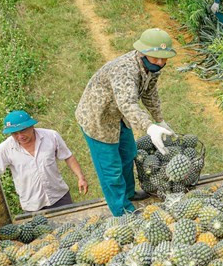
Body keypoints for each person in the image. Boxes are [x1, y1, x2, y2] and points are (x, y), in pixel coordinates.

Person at [75, 28, 177, 216]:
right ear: (143, 52)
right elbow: (127, 103)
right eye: (156, 58)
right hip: (99, 119)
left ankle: (129, 192)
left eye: (164, 58)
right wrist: (148, 126)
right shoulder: (124, 70)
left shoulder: (151, 66)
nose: (161, 62)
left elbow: (150, 93)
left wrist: (159, 120)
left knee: (129, 153)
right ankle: (122, 210)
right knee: (111, 169)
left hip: (120, 116)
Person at [0, 110, 88, 213]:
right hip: (32, 205)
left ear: (31, 126)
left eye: (23, 131)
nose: (20, 136)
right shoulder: (4, 149)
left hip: (59, 197)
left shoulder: (51, 136)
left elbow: (68, 157)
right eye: (15, 133)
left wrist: (81, 177)